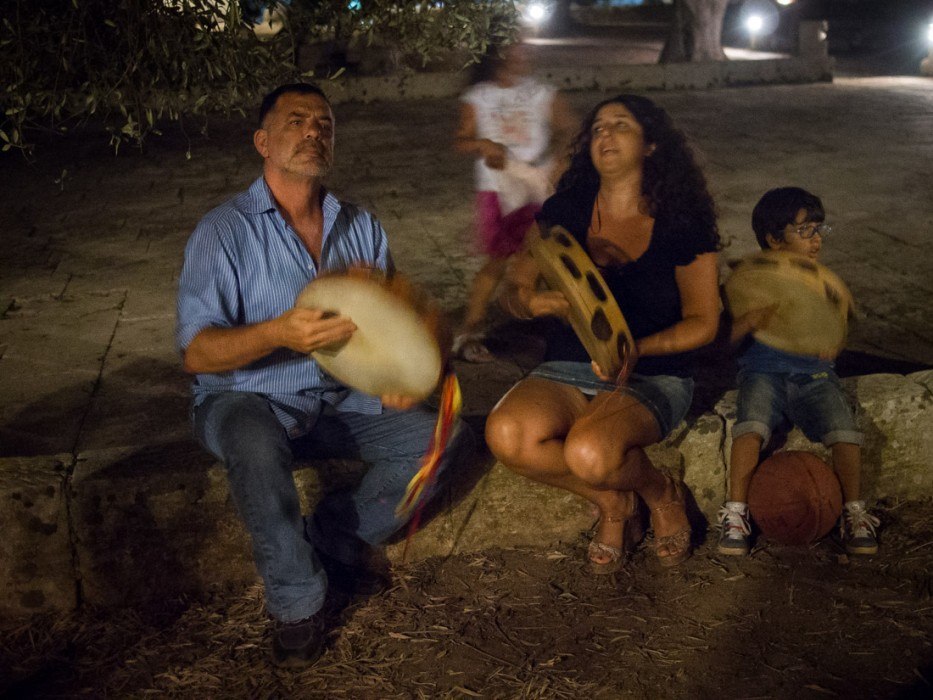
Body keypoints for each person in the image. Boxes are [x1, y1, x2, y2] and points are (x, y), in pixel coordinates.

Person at [175, 83, 473, 668]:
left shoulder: (359, 225)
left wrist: (400, 372)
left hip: (337, 400)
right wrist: (276, 333)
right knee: (253, 443)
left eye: (324, 124)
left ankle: (335, 536)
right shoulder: (223, 233)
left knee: (441, 433)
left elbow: (397, 326)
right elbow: (197, 353)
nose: (313, 131)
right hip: (246, 397)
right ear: (263, 141)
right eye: (296, 121)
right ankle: (297, 602)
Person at [485, 95, 722, 572]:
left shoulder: (684, 221)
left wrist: (639, 349)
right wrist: (527, 301)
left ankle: (660, 492)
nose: (605, 136)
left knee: (590, 451)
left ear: (652, 144)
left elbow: (704, 321)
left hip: (652, 375)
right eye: (596, 128)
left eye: (621, 126)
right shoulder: (566, 209)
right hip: (567, 365)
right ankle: (615, 504)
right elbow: (512, 288)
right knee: (505, 433)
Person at [717, 187, 879, 557]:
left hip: (815, 376)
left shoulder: (822, 285)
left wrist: (830, 343)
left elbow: (834, 328)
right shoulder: (750, 280)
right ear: (774, 239)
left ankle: (854, 512)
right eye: (804, 230)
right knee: (750, 426)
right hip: (763, 372)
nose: (816, 239)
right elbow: (722, 343)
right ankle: (735, 513)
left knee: (845, 430)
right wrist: (749, 321)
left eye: (819, 229)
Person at [452, 41, 576, 362]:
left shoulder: (542, 93)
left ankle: (548, 322)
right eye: (515, 46)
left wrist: (559, 161)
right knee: (496, 261)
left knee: (541, 255)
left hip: (536, 183)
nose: (524, 52)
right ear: (497, 51)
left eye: (526, 47)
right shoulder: (479, 96)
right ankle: (470, 330)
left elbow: (570, 130)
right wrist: (483, 143)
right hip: (498, 186)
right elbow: (461, 140)